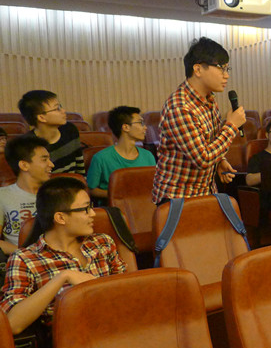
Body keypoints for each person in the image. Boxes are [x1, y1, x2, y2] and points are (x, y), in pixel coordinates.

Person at [0, 176, 127, 334]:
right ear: (60, 218)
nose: (93, 213)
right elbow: (13, 324)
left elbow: (126, 292)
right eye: (85, 209)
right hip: (70, 339)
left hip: (116, 328)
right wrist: (62, 277)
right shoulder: (25, 259)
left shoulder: (102, 243)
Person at [152, 37, 245, 204]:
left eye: (227, 69)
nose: (226, 75)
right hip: (178, 199)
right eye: (221, 68)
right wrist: (231, 126)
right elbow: (203, 159)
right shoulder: (180, 106)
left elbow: (209, 143)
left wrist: (220, 161)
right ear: (198, 69)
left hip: (205, 192)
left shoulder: (209, 99)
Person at [86, 106, 156, 200]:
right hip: (114, 205)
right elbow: (91, 190)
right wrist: (118, 195)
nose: (145, 128)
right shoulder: (101, 158)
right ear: (126, 127)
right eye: (141, 123)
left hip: (144, 204)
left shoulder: (148, 156)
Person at [0, 137, 52, 254]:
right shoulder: (2, 196)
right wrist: (28, 254)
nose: (51, 164)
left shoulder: (58, 193)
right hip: (22, 259)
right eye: (44, 159)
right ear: (24, 165)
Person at [18, 90, 84, 175]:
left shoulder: (70, 129)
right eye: (57, 109)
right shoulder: (27, 145)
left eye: (60, 106)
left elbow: (80, 168)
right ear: (41, 117)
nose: (63, 110)